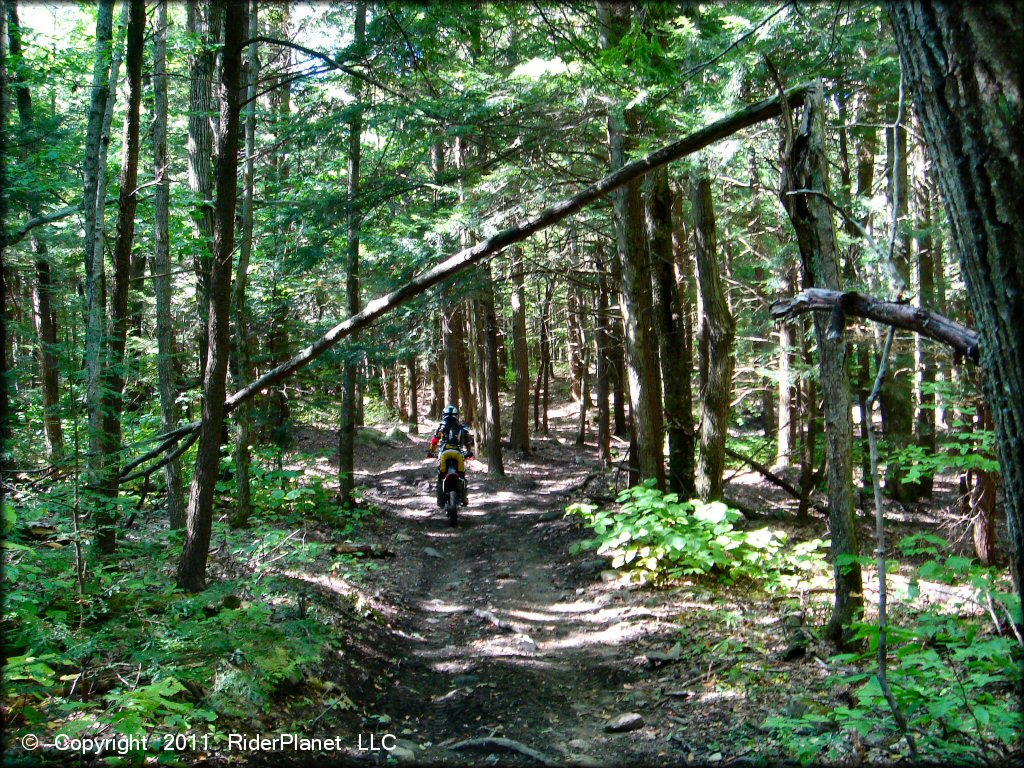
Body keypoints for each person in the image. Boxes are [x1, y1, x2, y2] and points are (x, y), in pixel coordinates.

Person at [427, 405, 474, 506]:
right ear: (456, 415)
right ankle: (464, 497)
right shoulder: (462, 427)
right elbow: (468, 442)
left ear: (444, 415)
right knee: (462, 475)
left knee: (441, 476)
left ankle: (440, 500)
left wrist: (431, 451)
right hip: (458, 453)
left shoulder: (441, 426)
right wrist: (469, 452)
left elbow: (435, 440)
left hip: (444, 453)